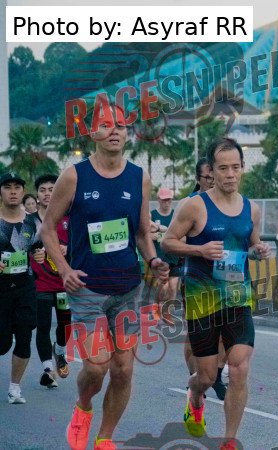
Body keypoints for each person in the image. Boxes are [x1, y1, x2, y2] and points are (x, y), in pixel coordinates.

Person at [41, 102, 170, 450]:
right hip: (87, 288)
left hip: (127, 287)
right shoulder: (75, 176)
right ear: (91, 132)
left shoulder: (139, 177)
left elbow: (141, 232)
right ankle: (83, 406)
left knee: (124, 369)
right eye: (106, 125)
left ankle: (105, 437)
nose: (114, 131)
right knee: (97, 367)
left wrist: (153, 260)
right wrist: (64, 269)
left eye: (121, 126)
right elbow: (47, 229)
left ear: (128, 134)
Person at [162, 138, 271, 450]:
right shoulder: (194, 205)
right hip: (202, 301)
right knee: (207, 376)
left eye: (236, 167)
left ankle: (229, 440)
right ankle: (195, 396)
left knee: (240, 366)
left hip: (238, 298)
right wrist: (200, 250)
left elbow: (251, 243)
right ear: (211, 170)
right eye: (223, 168)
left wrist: (259, 249)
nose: (230, 174)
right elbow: (168, 242)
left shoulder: (251, 208)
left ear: (243, 168)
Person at [176, 158, 228, 401]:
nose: (213, 181)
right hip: (196, 278)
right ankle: (194, 377)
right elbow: (173, 241)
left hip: (226, 276)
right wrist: (200, 249)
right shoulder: (189, 204)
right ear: (198, 179)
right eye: (208, 177)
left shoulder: (229, 202)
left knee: (225, 331)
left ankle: (216, 376)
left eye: (215, 176)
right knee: (195, 332)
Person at [0, 172, 46, 404]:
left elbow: (38, 246)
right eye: (7, 187)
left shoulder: (32, 221)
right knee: (2, 344)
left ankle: (14, 388)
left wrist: (40, 254)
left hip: (25, 287)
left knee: (25, 336)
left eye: (17, 187)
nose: (13, 191)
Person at [30, 174, 71, 389]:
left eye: (51, 189)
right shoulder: (29, 221)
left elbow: (83, 243)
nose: (47, 193)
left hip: (65, 283)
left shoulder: (69, 218)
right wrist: (33, 252)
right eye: (43, 190)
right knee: (44, 325)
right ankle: (47, 369)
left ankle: (60, 351)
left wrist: (68, 248)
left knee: (65, 324)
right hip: (40, 284)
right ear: (37, 195)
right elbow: (20, 246)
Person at [151, 187, 180, 315]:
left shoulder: (176, 215)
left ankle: (168, 313)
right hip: (159, 258)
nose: (166, 203)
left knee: (173, 287)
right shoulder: (152, 215)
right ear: (158, 200)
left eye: (168, 200)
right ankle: (157, 307)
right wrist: (150, 236)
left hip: (174, 257)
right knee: (163, 288)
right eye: (164, 200)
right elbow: (142, 234)